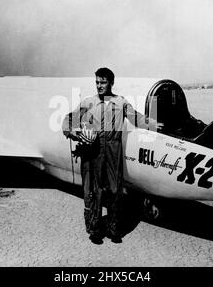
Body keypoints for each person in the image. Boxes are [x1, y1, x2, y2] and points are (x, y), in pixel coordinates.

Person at [62, 68, 159, 244]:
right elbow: (70, 119)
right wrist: (75, 133)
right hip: (94, 151)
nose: (99, 86)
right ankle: (95, 230)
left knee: (115, 190)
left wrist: (154, 124)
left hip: (114, 149)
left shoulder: (120, 102)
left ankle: (114, 229)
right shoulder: (88, 102)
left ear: (111, 83)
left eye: (103, 82)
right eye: (97, 82)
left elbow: (135, 118)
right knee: (95, 191)